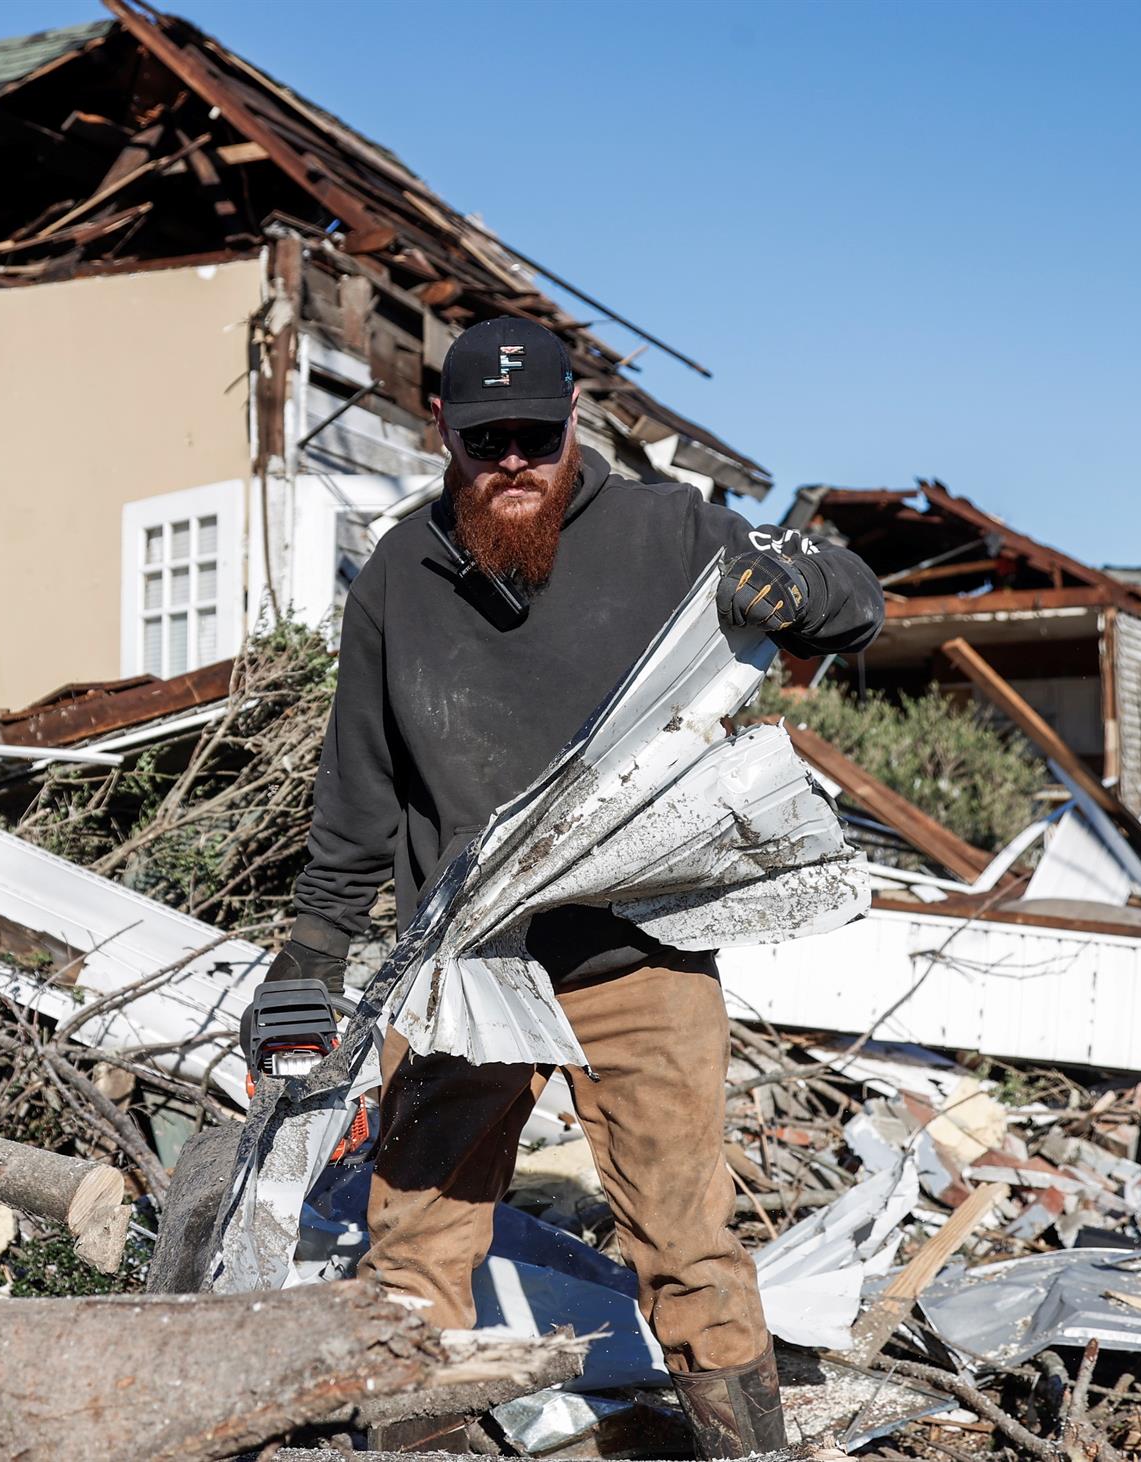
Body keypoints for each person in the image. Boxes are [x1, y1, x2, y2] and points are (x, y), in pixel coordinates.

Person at [260, 317, 885, 1456]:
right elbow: (356, 795)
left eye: (534, 438)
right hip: (464, 964)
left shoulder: (667, 532)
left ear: (572, 428)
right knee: (416, 1245)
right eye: (488, 437)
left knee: (688, 1246)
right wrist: (305, 958)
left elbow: (853, 598)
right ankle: (421, 1439)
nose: (513, 462)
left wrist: (800, 586)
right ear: (441, 429)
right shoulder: (399, 574)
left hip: (634, 955)